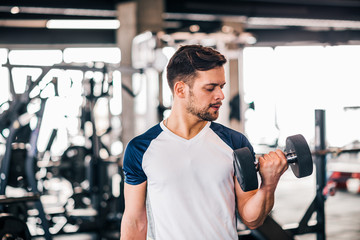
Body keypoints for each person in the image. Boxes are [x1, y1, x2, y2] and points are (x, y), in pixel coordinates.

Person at [120, 45, 288, 240]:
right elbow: (135, 221)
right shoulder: (141, 148)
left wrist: (269, 183)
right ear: (180, 89)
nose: (220, 96)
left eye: (221, 87)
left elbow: (251, 219)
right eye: (210, 88)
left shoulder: (235, 143)